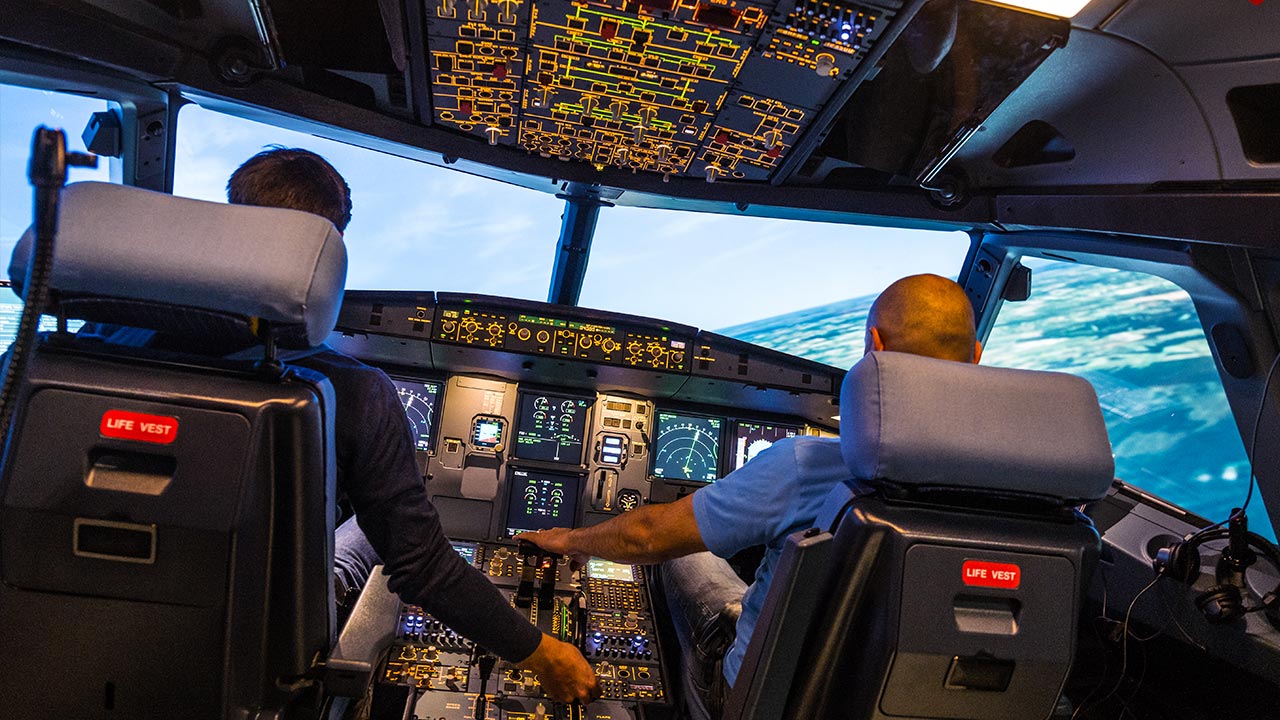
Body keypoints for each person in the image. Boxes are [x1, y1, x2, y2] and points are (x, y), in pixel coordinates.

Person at [89, 148, 600, 704]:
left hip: (78, 620)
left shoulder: (87, 344)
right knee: (367, 528)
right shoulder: (350, 389)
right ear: (324, 255)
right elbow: (423, 565)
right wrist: (543, 651)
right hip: (256, 649)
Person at [523, 273, 982, 717]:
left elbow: (646, 536)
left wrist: (570, 540)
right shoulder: (1035, 481)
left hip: (758, 699)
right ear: (977, 356)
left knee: (681, 556)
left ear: (875, 348)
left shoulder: (808, 466)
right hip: (909, 702)